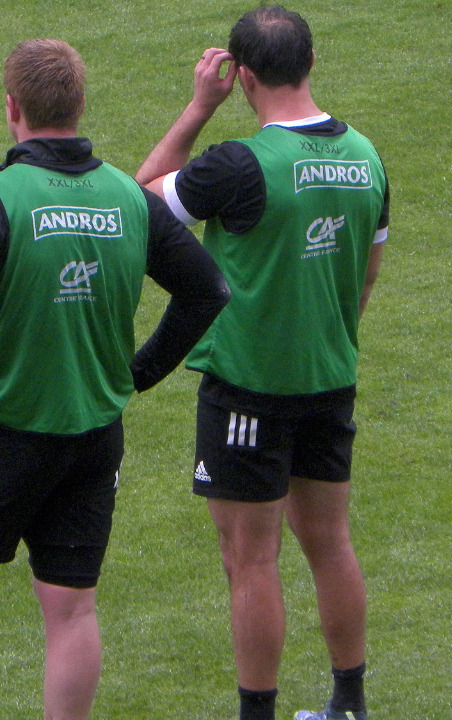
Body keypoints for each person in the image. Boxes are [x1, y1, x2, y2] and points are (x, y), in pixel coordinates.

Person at [0, 39, 228, 720]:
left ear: (12, 108)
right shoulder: (128, 199)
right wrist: (136, 375)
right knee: (71, 609)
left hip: (0, 438)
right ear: (79, 105)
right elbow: (207, 290)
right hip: (94, 441)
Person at [135, 6, 390, 720]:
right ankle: (349, 704)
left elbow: (138, 204)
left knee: (250, 559)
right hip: (330, 378)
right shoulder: (367, 156)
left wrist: (197, 108)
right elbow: (366, 275)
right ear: (310, 64)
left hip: (248, 388)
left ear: (242, 77)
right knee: (330, 543)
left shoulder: (238, 165)